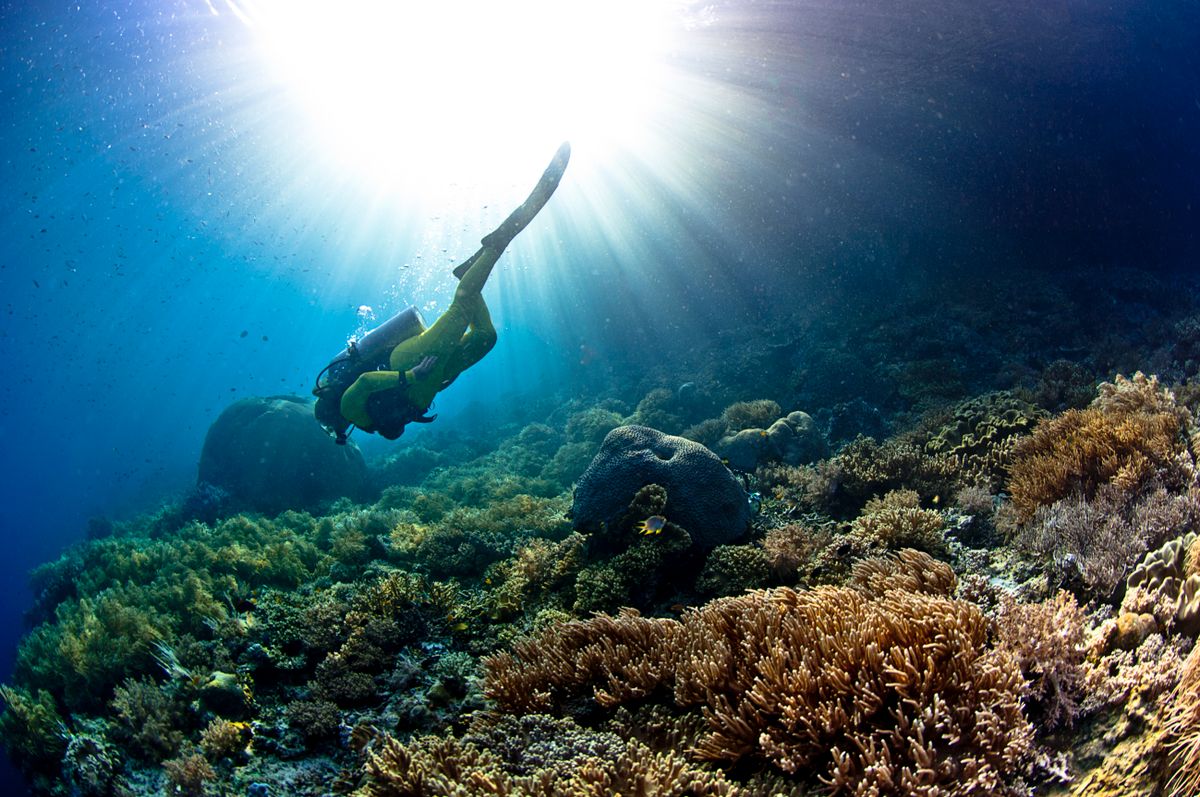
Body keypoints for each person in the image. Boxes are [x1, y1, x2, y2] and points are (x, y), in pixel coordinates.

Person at [313, 142, 571, 444]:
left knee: (460, 309)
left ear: (330, 414)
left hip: (409, 362)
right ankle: (467, 275)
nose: (336, 430)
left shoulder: (349, 409)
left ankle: (499, 241)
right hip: (429, 375)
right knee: (485, 337)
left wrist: (412, 375)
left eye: (330, 426)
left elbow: (366, 381)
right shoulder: (367, 422)